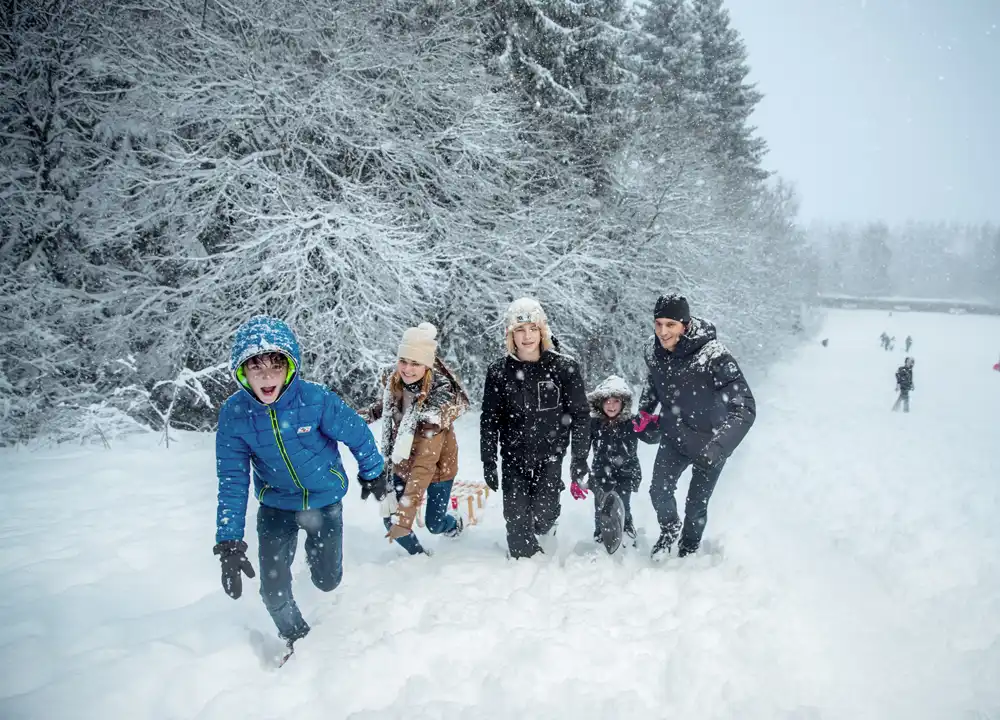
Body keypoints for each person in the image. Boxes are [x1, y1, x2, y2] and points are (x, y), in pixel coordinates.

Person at [213, 316, 384, 661]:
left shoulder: (315, 400)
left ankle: (316, 558)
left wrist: (373, 472)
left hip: (324, 502)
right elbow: (232, 479)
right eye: (255, 366)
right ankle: (299, 639)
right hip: (276, 507)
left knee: (327, 581)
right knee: (273, 592)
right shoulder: (235, 415)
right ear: (242, 371)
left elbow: (357, 433)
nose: (266, 376)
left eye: (275, 365)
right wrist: (229, 540)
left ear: (289, 366)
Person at [636, 294, 756, 560]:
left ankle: (688, 550)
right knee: (659, 491)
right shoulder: (653, 351)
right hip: (675, 437)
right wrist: (644, 414)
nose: (663, 332)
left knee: (696, 505)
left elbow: (745, 407)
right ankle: (669, 530)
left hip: (710, 442)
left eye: (671, 324)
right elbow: (654, 383)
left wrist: (719, 447)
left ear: (685, 325)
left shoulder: (714, 356)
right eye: (658, 324)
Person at [480, 297, 591, 559]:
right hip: (513, 456)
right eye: (520, 330)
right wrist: (488, 461)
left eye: (532, 329)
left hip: (550, 455)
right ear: (511, 335)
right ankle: (526, 575)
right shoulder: (498, 372)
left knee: (543, 514)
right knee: (517, 522)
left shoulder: (564, 368)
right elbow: (489, 419)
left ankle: (547, 523)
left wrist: (579, 459)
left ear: (542, 331)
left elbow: (581, 416)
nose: (527, 336)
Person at [360, 322, 470, 555]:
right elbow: (390, 407)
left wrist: (406, 517)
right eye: (404, 361)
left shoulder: (437, 407)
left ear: (427, 365)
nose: (407, 369)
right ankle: (419, 557)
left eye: (416, 363)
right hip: (402, 462)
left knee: (434, 524)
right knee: (390, 519)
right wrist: (362, 417)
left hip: (438, 469)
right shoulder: (397, 384)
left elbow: (424, 464)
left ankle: (455, 524)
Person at [581, 375, 642, 547]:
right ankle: (601, 533)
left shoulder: (632, 422)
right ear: (600, 403)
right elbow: (582, 447)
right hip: (601, 473)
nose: (611, 405)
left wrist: (651, 427)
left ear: (623, 403)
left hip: (626, 472)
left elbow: (651, 436)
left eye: (616, 401)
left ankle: (626, 528)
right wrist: (580, 469)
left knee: (623, 504)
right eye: (607, 401)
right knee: (602, 506)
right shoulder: (594, 424)